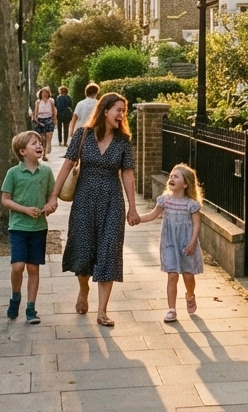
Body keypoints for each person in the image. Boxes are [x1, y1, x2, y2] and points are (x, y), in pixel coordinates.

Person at [47, 92, 140, 327]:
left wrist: (133, 208)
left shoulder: (122, 140)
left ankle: (102, 312)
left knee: (109, 251)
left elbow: (127, 173)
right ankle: (83, 288)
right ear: (105, 110)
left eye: (123, 111)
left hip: (112, 200)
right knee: (83, 249)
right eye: (118, 110)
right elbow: (68, 164)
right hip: (84, 199)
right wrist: (54, 196)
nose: (121, 115)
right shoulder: (83, 134)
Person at [0, 131, 56, 324]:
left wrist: (50, 206)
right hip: (18, 227)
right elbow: (5, 200)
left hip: (39, 228)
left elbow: (52, 196)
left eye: (39, 142)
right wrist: (24, 209)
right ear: (23, 151)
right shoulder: (13, 173)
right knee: (18, 266)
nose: (39, 145)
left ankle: (31, 308)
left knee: (33, 268)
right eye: (34, 143)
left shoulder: (46, 172)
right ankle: (15, 297)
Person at [138, 163, 203, 320]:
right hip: (169, 243)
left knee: (188, 276)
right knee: (172, 275)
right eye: (171, 176)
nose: (171, 178)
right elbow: (152, 215)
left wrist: (192, 243)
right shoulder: (164, 200)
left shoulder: (191, 204)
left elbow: (196, 224)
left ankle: (190, 295)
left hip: (187, 244)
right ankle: (172, 309)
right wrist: (137, 219)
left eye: (176, 176)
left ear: (185, 183)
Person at [31, 87, 56, 160]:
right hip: (40, 119)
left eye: (46, 93)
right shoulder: (38, 102)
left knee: (49, 135)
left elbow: (53, 110)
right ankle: (44, 155)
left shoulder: (51, 101)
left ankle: (49, 144)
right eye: (43, 93)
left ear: (48, 94)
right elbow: (36, 111)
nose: (44, 94)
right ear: (40, 94)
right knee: (42, 139)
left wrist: (54, 118)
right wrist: (35, 118)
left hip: (49, 118)